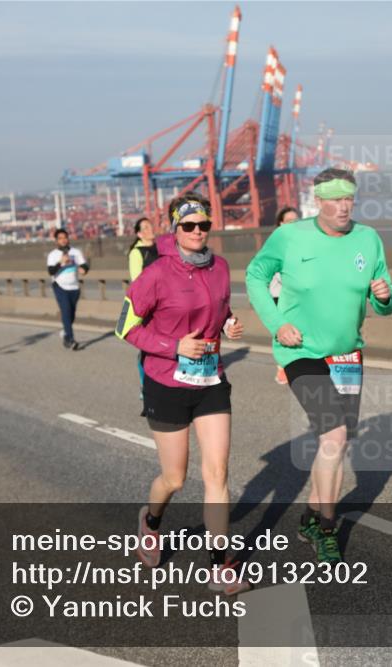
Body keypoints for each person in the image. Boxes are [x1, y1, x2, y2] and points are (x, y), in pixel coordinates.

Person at [245, 168, 392, 564]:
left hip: (346, 355)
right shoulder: (290, 236)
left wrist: (384, 296)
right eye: (335, 199)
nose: (343, 207)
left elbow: (384, 302)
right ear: (319, 201)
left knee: (336, 443)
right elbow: (255, 276)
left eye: (349, 199)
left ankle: (311, 516)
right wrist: (278, 325)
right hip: (302, 352)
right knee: (334, 434)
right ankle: (327, 529)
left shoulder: (368, 239)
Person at [117, 192, 249, 595]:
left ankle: (219, 567)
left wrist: (227, 324)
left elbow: (219, 309)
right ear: (175, 229)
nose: (197, 231)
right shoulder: (156, 273)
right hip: (167, 383)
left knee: (217, 474)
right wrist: (173, 346)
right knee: (174, 478)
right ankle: (151, 521)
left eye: (203, 224)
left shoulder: (220, 267)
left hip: (210, 381)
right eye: (189, 225)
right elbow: (125, 327)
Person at [128, 217, 160, 403]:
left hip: (165, 303)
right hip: (148, 305)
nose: (150, 229)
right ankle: (145, 385)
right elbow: (137, 281)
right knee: (147, 348)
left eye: (151, 226)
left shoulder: (162, 248)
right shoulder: (136, 252)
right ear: (139, 234)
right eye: (145, 228)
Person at [269, 206, 301, 385]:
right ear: (280, 224)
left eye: (296, 221)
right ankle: (282, 367)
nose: (293, 224)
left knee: (297, 330)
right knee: (283, 331)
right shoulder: (276, 244)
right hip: (279, 295)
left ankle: (292, 366)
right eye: (289, 221)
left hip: (296, 295)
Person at [46, 228, 89, 350]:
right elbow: (50, 271)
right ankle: (70, 339)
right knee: (65, 311)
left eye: (65, 238)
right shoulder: (53, 255)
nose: (63, 240)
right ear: (56, 241)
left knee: (71, 315)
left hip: (74, 287)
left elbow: (84, 265)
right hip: (60, 286)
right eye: (60, 238)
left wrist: (84, 270)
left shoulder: (76, 252)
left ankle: (65, 333)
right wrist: (60, 262)